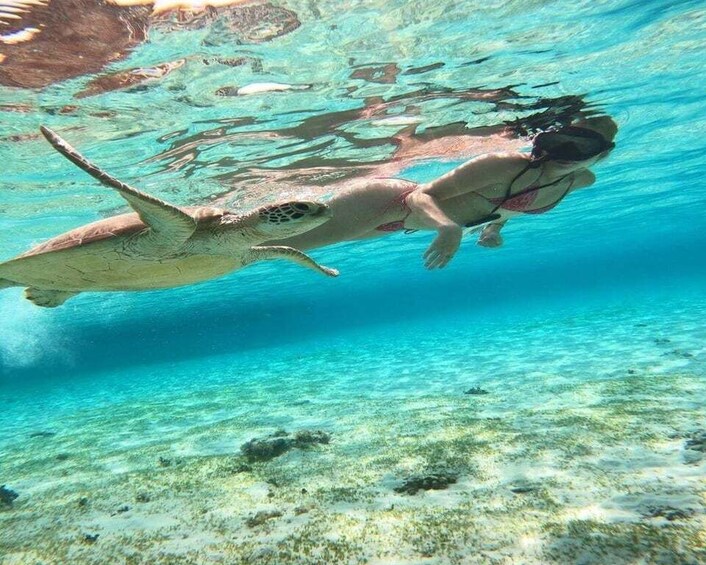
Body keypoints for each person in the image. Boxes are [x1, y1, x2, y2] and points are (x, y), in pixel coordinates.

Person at [266, 116, 617, 269]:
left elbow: (510, 206)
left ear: (601, 155)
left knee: (270, 250)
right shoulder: (503, 164)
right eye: (559, 142)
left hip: (397, 224)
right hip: (386, 202)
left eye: (580, 147)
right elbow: (420, 197)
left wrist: (493, 228)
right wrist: (448, 229)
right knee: (267, 246)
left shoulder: (579, 181)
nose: (564, 154)